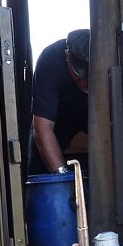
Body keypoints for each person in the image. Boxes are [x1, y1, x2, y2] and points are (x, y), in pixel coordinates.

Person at [27, 28, 90, 175]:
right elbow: (43, 128)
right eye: (79, 78)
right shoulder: (50, 60)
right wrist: (62, 177)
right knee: (39, 165)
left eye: (88, 79)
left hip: (96, 115)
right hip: (59, 117)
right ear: (67, 56)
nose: (85, 84)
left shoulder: (107, 52)